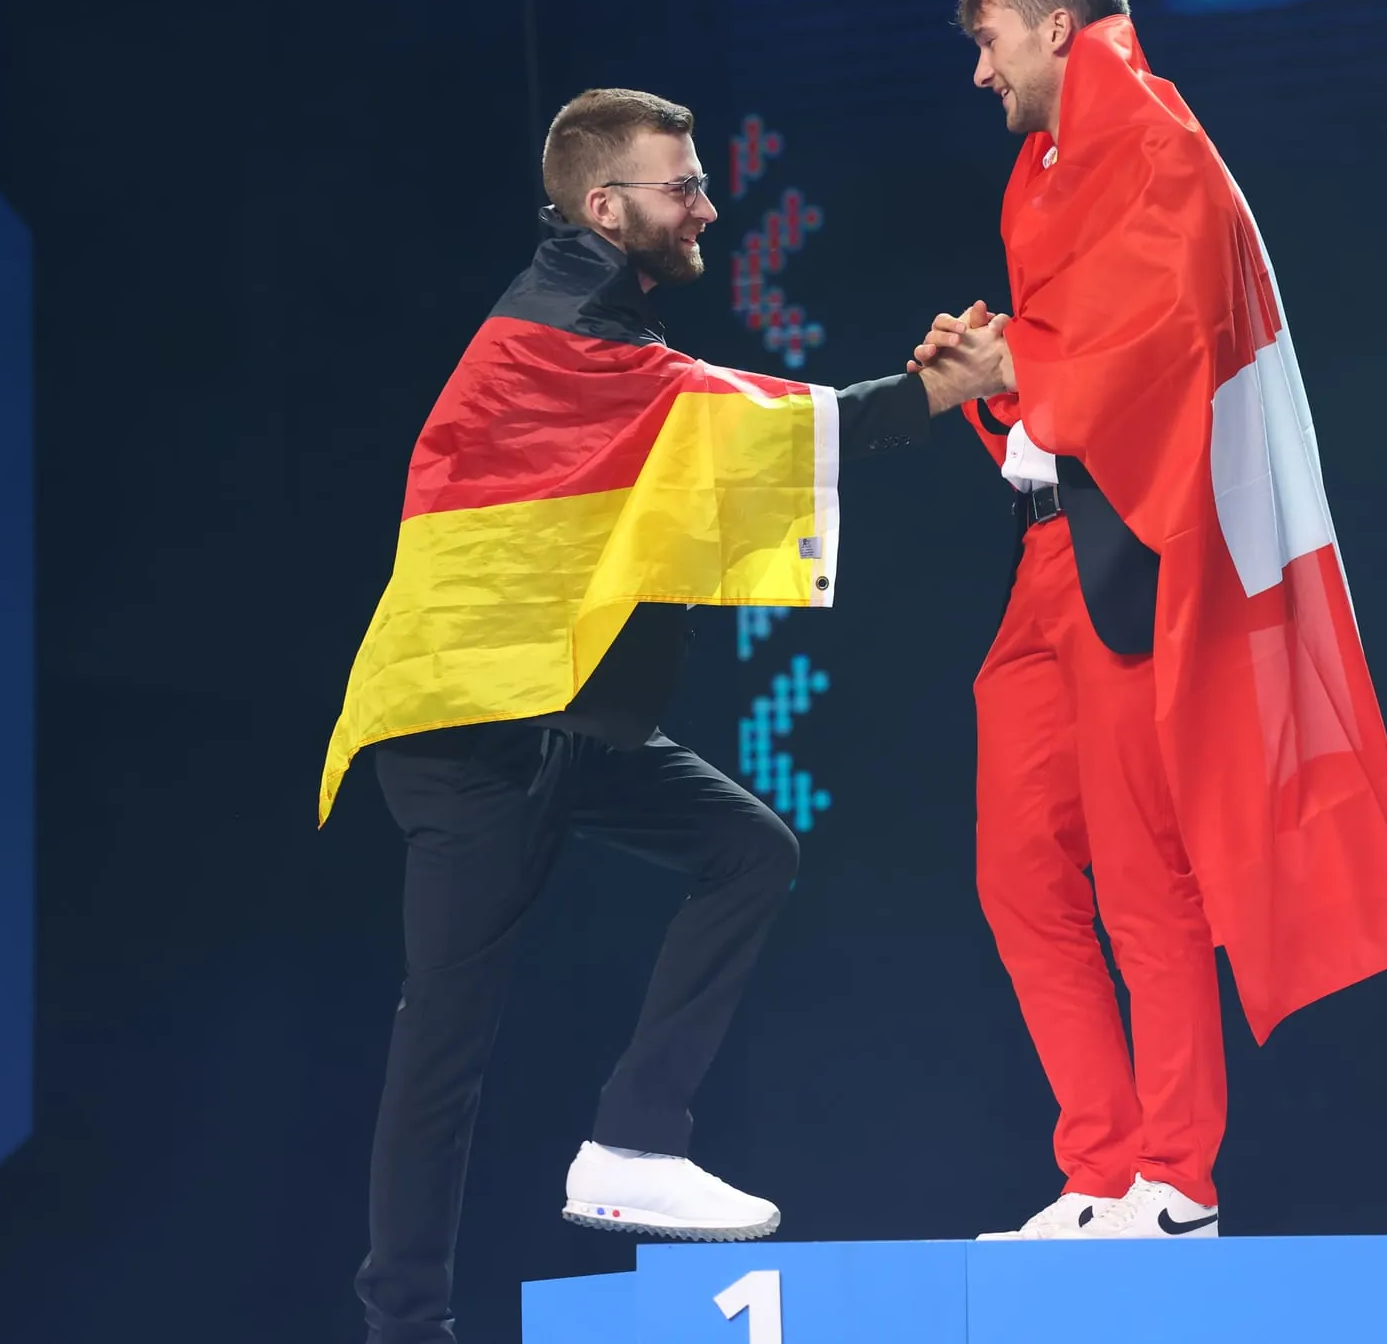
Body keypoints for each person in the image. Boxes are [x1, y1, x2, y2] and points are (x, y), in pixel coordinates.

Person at [324, 89, 1008, 1344]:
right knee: (444, 1050)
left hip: (559, 711)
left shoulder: (599, 320)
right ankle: (404, 1325)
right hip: (470, 726)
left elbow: (705, 439)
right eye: (680, 185)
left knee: (750, 846)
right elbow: (740, 431)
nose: (706, 205)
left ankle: (636, 1137)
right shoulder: (562, 327)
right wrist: (940, 391)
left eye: (700, 180)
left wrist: (928, 391)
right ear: (604, 205)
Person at [912, 0, 1387, 1242]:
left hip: (1133, 554)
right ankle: (1097, 1171)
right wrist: (994, 375)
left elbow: (1155, 354)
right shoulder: (1045, 174)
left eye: (989, 41)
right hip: (1046, 555)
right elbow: (1068, 377)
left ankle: (1176, 1179)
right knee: (1017, 871)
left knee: (1146, 874)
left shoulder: (1154, 143)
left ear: (1056, 28)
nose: (979, 73)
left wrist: (1013, 363)